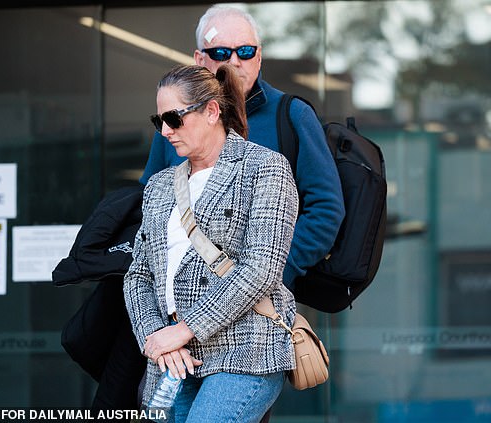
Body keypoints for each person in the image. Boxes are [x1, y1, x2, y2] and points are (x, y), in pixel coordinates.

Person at [123, 63, 299, 422]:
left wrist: (183, 329)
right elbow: (138, 275)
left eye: (174, 118)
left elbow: (261, 268)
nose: (166, 132)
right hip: (172, 358)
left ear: (211, 111)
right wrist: (158, 338)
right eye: (159, 122)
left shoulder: (264, 168)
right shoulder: (158, 186)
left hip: (243, 348)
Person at [140, 5, 346, 294]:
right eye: (221, 53)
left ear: (259, 57)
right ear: (199, 59)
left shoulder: (293, 116)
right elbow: (150, 209)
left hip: (265, 303)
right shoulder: (174, 124)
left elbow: (326, 210)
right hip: (181, 299)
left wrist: (270, 277)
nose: (235, 61)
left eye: (246, 51)